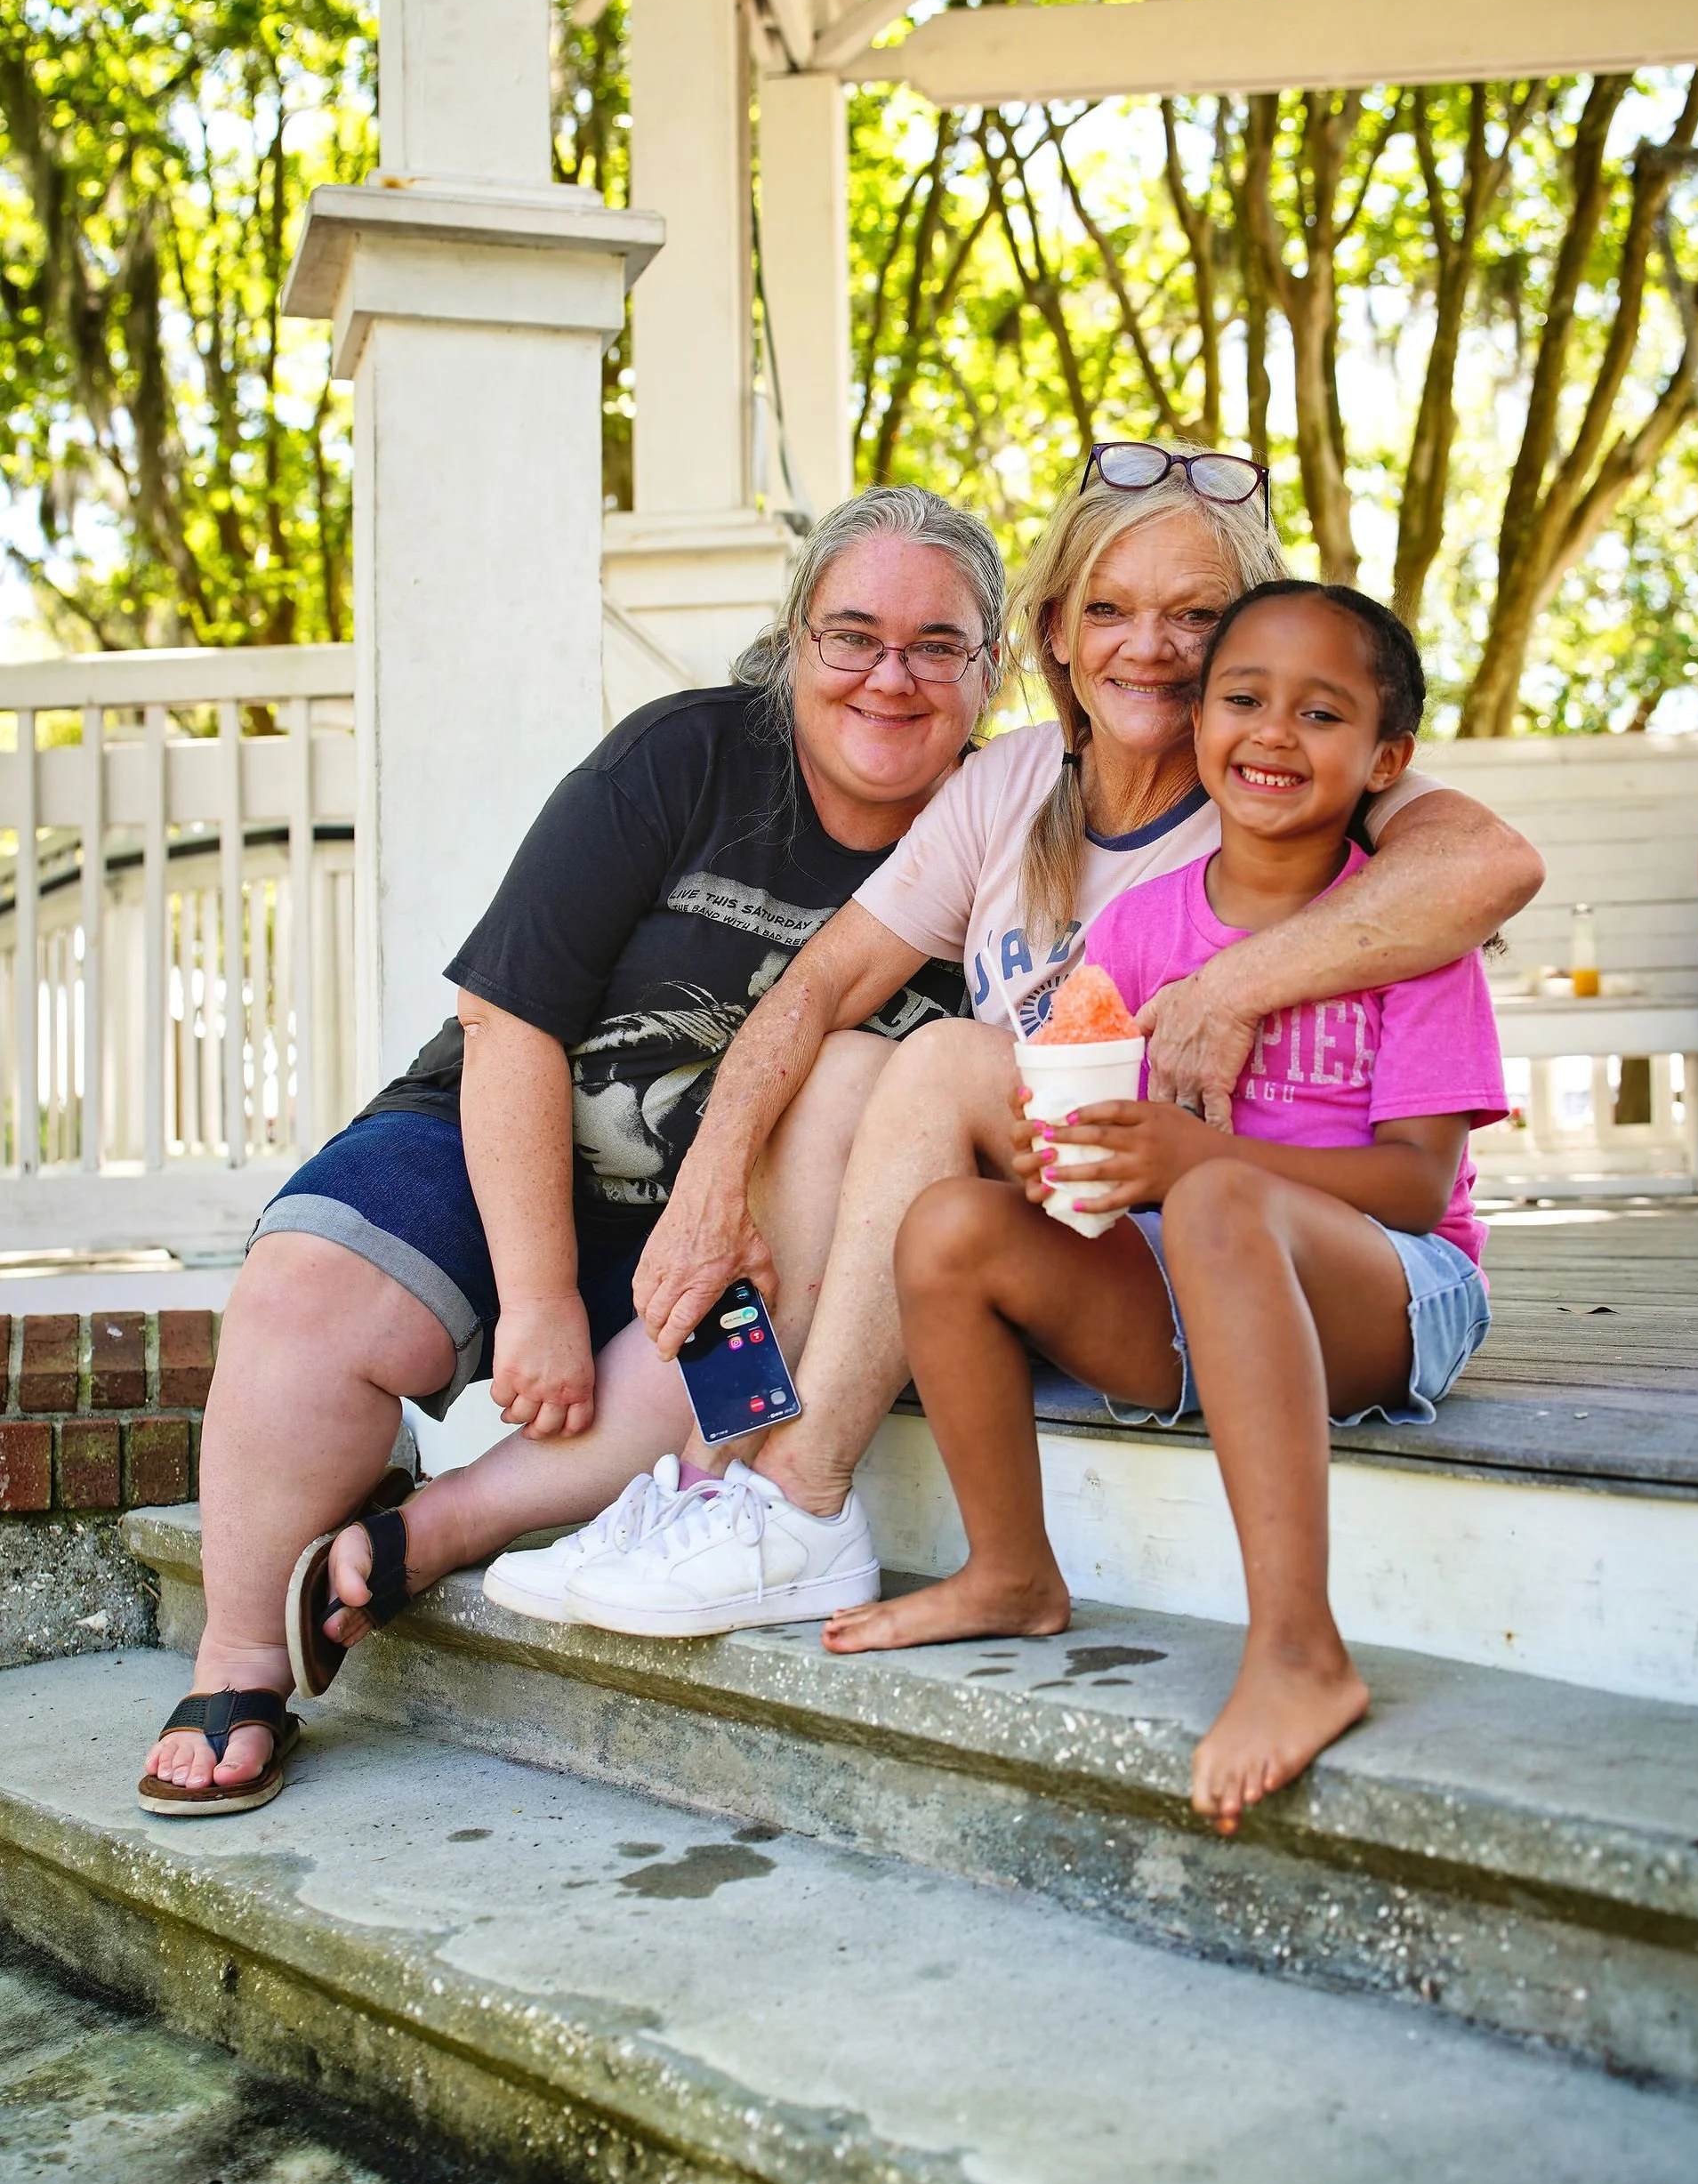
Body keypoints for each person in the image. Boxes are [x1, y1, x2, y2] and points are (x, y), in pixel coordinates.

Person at [554, 447, 1542, 1639]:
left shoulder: (1309, 787)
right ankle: (716, 1481)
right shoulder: (1028, 803)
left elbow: (1488, 874)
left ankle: (795, 1497)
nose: (1152, 648)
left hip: (1268, 1238)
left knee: (932, 1063)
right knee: (839, 1077)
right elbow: (813, 993)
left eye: (1199, 619)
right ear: (1060, 630)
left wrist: (1232, 987)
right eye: (1113, 610)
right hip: (1107, 1237)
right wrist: (707, 1187)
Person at [137, 486, 1005, 1813]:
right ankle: (244, 1652)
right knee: (308, 1281)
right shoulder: (687, 758)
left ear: (988, 670)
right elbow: (513, 1019)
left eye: (937, 644)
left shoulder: (990, 842)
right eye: (853, 635)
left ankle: (431, 1532)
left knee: (841, 1109)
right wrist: (536, 1296)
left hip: (742, 1233)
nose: (891, 676)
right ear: (794, 642)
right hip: (508, 1140)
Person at [825, 582, 1509, 1837]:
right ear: (1198, 725)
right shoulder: (1141, 927)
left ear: (1386, 759)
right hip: (1203, 1282)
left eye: (1321, 713)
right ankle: (1011, 1571)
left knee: (1217, 1199)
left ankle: (1300, 1647)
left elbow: (1420, 1186)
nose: (1272, 734)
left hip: (1396, 1290)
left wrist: (1190, 1159)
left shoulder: (1413, 937)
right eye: (1243, 699)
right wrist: (1063, 1166)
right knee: (952, 1230)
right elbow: (1110, 1132)